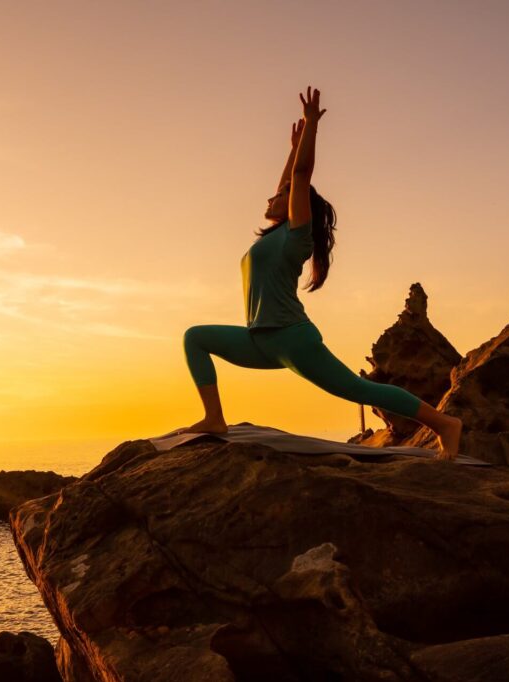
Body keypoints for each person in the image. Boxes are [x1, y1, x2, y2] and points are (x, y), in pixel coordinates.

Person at [178, 86, 463, 460]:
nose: (269, 198)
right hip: (259, 338)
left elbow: (300, 175)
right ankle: (214, 418)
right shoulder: (276, 233)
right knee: (195, 338)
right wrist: (292, 147)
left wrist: (311, 129)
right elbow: (290, 180)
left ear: (297, 206)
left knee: (360, 390)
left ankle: (445, 424)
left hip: (293, 340)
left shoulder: (296, 237)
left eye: (279, 195)